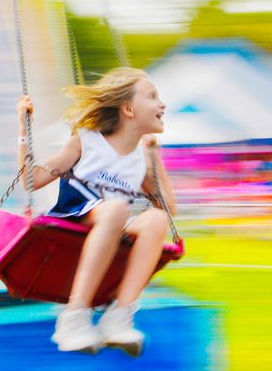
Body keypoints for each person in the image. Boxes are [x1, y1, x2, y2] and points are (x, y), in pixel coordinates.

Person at [15, 67, 177, 356]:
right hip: (75, 219)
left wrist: (155, 158)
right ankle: (74, 317)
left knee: (156, 219)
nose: (162, 104)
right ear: (128, 109)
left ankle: (120, 314)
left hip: (113, 224)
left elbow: (169, 209)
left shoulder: (140, 158)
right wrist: (22, 128)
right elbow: (31, 180)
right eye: (152, 97)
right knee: (115, 210)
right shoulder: (86, 140)